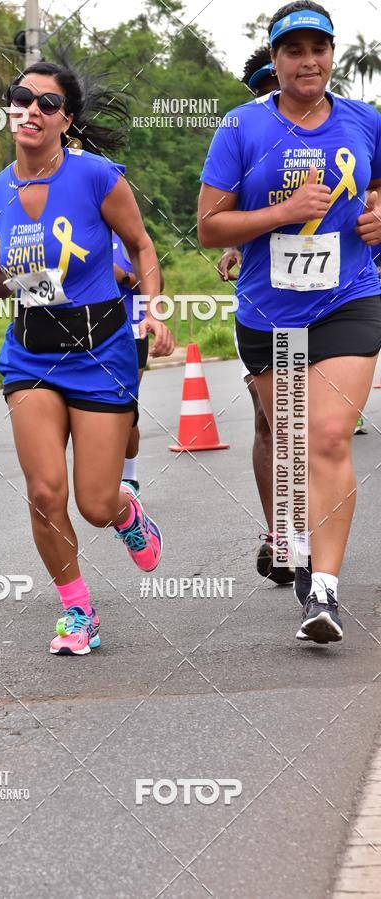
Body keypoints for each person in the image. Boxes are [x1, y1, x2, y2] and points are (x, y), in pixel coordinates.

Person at [0, 61, 174, 656]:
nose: (31, 109)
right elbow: (6, 280)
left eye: (47, 103)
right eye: (21, 97)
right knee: (45, 492)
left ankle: (127, 514)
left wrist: (153, 311)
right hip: (31, 356)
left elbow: (141, 246)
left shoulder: (97, 177)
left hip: (101, 352)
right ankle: (78, 611)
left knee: (95, 503)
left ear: (66, 120)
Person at [198, 1, 381, 644]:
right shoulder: (242, 127)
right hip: (269, 312)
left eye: (318, 49)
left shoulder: (366, 120)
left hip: (349, 298)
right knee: (292, 443)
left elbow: (379, 188)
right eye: (294, 51)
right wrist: (281, 212)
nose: (308, 61)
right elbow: (209, 226)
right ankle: (292, 541)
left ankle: (322, 590)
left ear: (331, 55)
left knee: (328, 437)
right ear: (274, 61)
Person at [216, 48, 294, 586]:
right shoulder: (243, 135)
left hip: (331, 302)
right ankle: (280, 535)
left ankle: (313, 528)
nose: (270, 93)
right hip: (265, 300)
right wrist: (233, 248)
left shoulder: (337, 128)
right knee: (269, 420)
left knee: (312, 426)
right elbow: (224, 212)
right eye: (261, 87)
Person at [112, 233, 165, 495]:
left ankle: (129, 478)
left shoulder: (125, 234)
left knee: (123, 407)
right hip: (81, 333)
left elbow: (158, 284)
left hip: (131, 332)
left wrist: (123, 276)